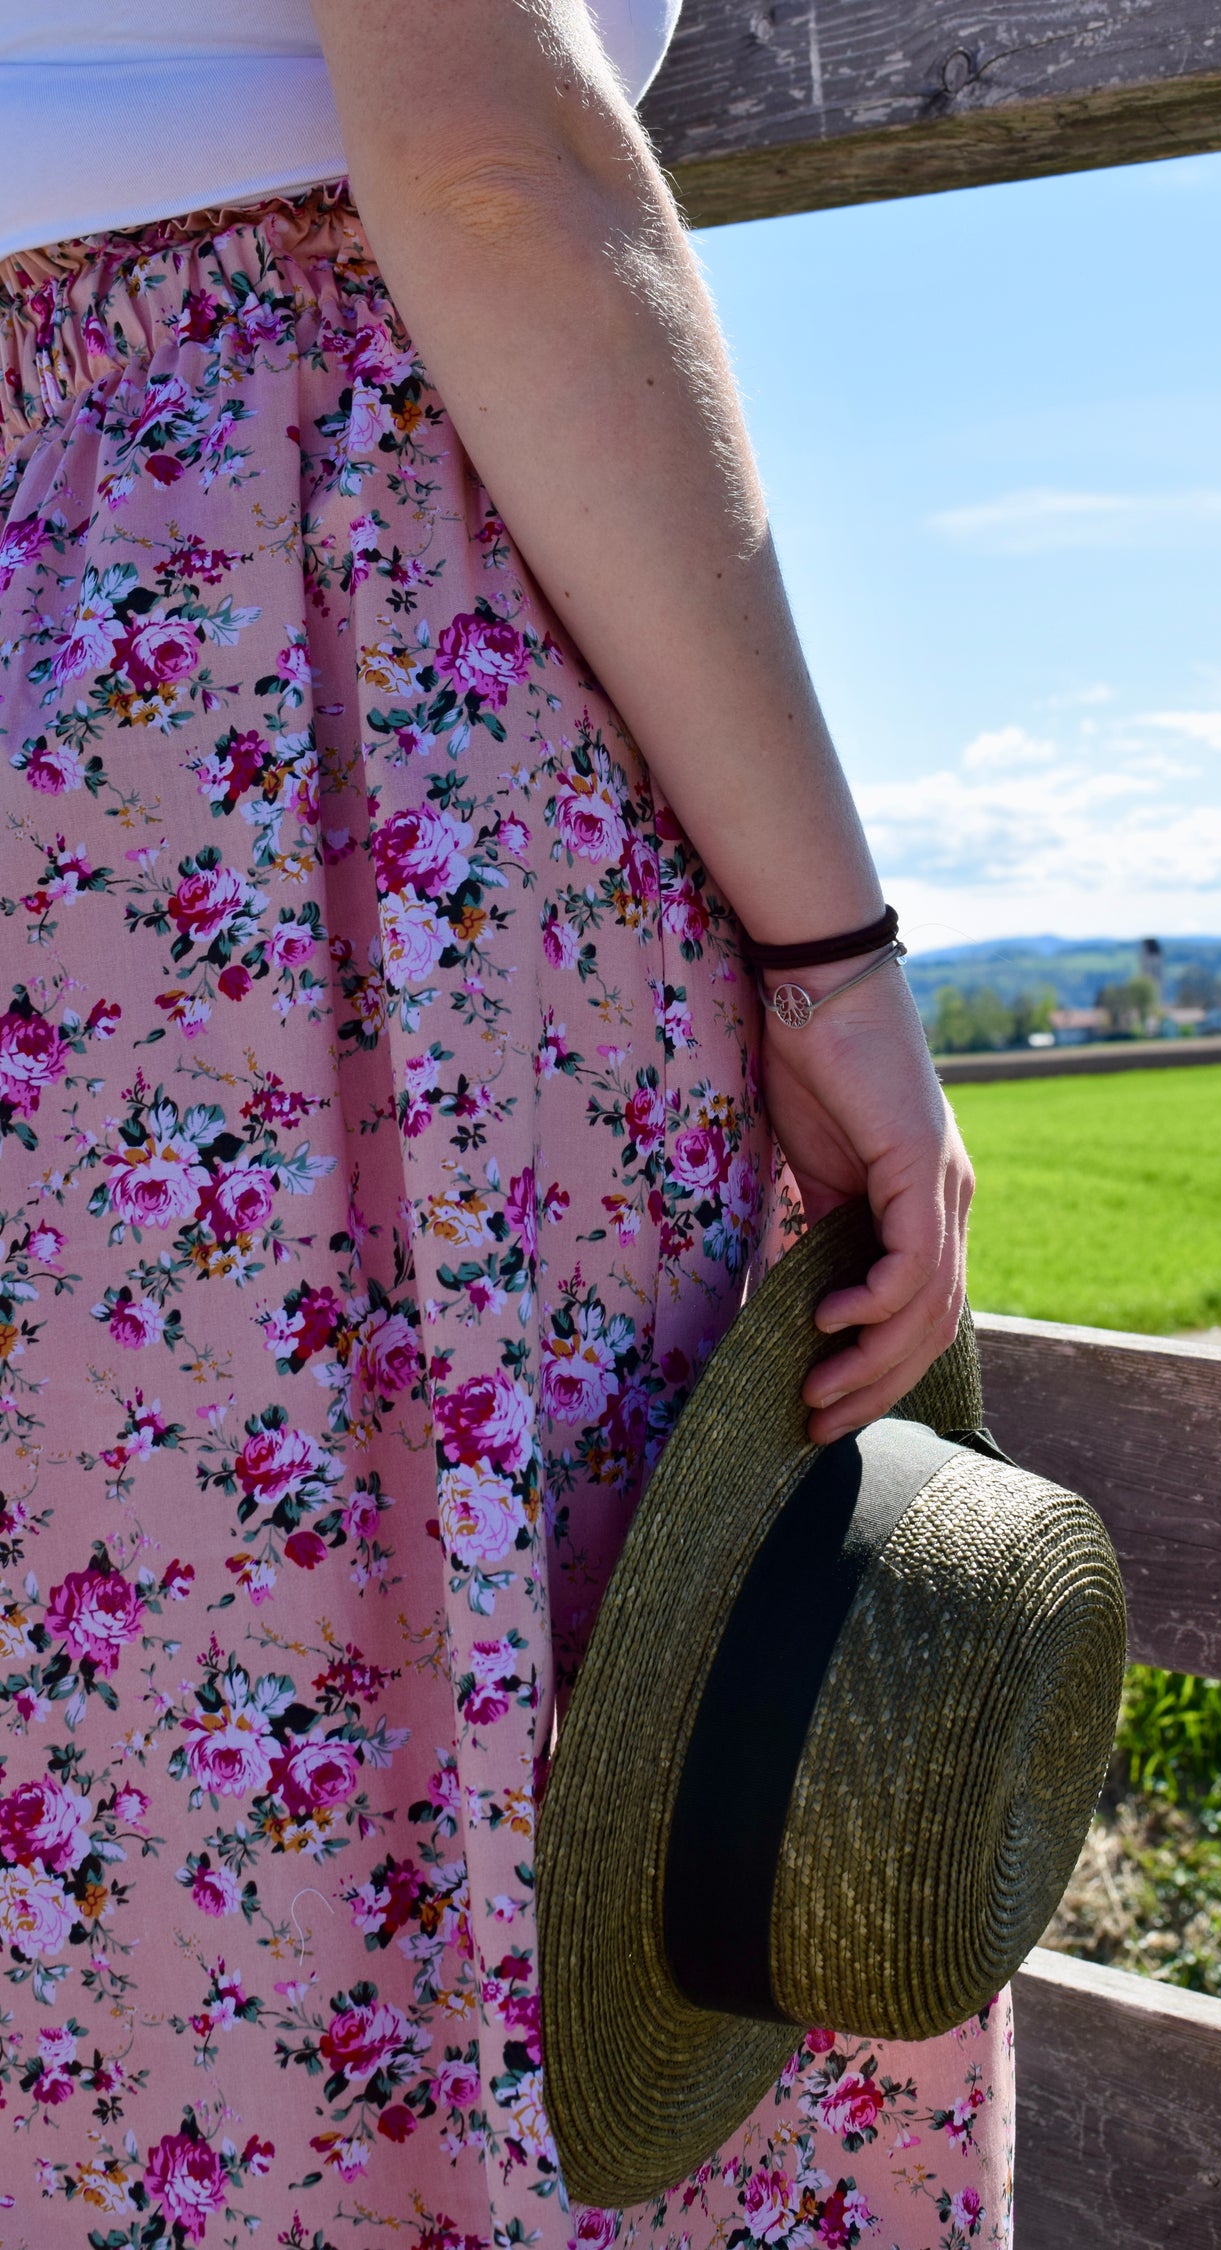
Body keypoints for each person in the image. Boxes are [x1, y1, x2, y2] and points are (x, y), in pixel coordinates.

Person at [0, 4, 1011, 2243]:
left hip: (76, 673)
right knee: (561, 1756)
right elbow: (491, 172)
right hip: (293, 645)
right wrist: (838, 965)